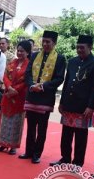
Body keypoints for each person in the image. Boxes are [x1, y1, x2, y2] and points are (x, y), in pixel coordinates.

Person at [50, 35, 94, 167]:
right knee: (66, 134)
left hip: (83, 106)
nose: (79, 50)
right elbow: (66, 82)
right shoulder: (72, 61)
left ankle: (77, 163)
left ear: (90, 47)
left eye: (82, 47)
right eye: (77, 47)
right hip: (68, 104)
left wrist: (91, 106)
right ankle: (65, 158)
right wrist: (61, 102)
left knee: (80, 137)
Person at [18, 30, 66, 164]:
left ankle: (37, 154)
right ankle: (28, 151)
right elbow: (27, 74)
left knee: (42, 128)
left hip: (45, 98)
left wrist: (43, 86)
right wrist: (32, 85)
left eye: (48, 42)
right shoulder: (34, 56)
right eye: (43, 41)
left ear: (54, 43)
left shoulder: (60, 59)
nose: (45, 44)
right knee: (31, 126)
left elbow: (59, 78)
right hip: (32, 95)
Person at [0, 41, 31, 154]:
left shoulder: (29, 65)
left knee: (16, 121)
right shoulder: (12, 62)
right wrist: (9, 87)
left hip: (19, 97)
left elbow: (27, 81)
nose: (20, 53)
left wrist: (16, 90)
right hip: (8, 95)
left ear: (27, 52)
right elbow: (5, 75)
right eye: (18, 50)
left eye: (22, 51)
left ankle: (13, 146)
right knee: (5, 120)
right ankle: (3, 143)